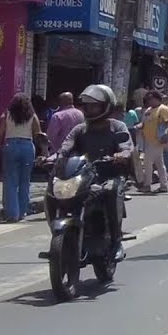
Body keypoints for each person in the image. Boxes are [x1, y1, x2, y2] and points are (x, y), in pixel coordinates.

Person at [54, 84, 133, 261]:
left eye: (94, 105)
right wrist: (55, 157)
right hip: (84, 176)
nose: (90, 109)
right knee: (55, 191)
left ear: (106, 106)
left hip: (110, 174)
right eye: (87, 105)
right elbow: (66, 146)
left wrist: (122, 154)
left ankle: (116, 242)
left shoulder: (117, 126)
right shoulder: (80, 129)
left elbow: (126, 146)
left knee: (112, 190)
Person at [0, 93, 41, 222]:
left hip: (11, 145)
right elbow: (38, 133)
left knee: (10, 180)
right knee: (25, 180)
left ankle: (12, 213)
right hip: (27, 145)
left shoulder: (7, 114)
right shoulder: (32, 116)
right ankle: (22, 212)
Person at [141, 91, 168, 194]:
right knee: (159, 163)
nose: (150, 101)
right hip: (148, 140)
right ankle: (163, 185)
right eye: (149, 99)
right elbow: (145, 123)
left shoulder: (163, 109)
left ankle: (147, 185)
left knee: (148, 162)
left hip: (157, 140)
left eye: (152, 98)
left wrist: (166, 134)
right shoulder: (149, 110)